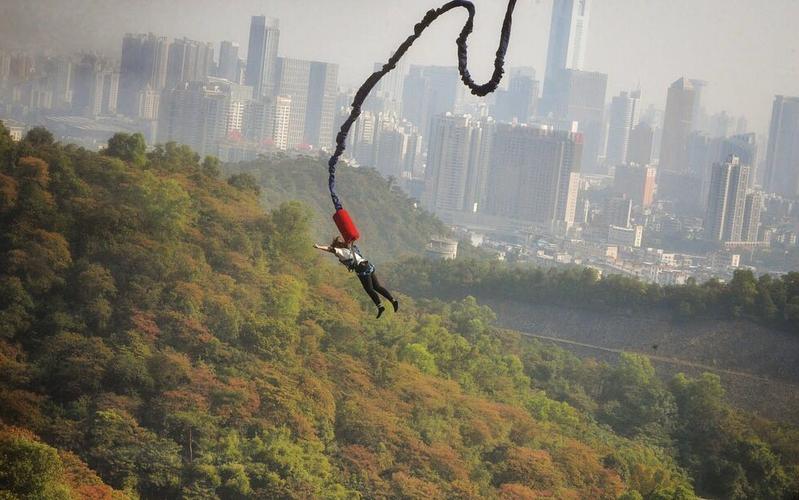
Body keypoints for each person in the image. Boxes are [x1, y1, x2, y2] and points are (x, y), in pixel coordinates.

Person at [314, 237, 399, 318]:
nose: (335, 255)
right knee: (377, 287)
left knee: (369, 289)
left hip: (362, 269)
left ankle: (380, 307)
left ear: (337, 246)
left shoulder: (340, 251)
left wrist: (319, 247)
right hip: (368, 265)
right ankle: (393, 301)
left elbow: (330, 249)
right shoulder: (351, 249)